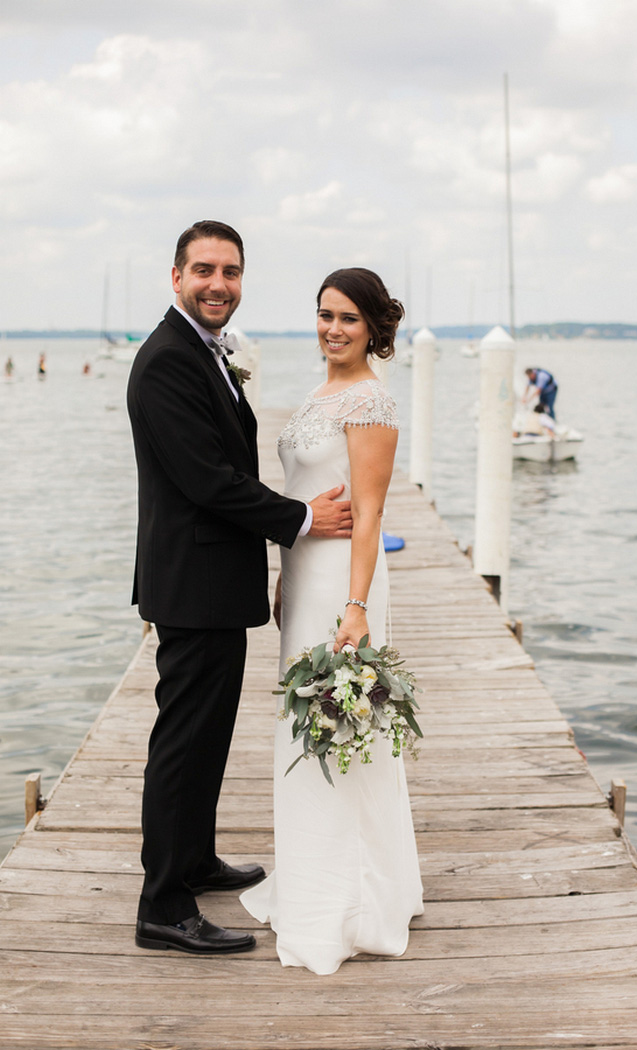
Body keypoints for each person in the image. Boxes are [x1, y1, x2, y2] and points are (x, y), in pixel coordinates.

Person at [126, 220, 352, 956]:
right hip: (190, 582)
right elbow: (206, 480)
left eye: (230, 271)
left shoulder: (204, 352)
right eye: (204, 270)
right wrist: (301, 519)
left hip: (212, 581)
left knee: (207, 736)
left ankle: (192, 859)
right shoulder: (166, 362)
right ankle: (163, 904)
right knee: (183, 742)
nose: (218, 284)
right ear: (176, 277)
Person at [241, 267, 424, 974]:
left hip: (347, 588)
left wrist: (354, 606)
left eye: (348, 318)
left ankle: (346, 900)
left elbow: (370, 514)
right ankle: (314, 877)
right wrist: (287, 571)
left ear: (374, 327)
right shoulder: (321, 392)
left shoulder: (371, 402)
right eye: (325, 315)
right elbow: (306, 494)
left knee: (340, 726)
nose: (333, 329)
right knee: (305, 720)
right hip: (307, 577)